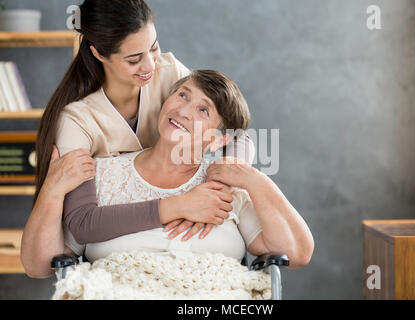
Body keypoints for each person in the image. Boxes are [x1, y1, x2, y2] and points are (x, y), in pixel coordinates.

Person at [21, 0, 254, 278]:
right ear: (98, 53)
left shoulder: (169, 72)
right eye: (133, 59)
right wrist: (181, 205)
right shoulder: (78, 121)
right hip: (122, 238)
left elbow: (236, 132)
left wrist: (223, 182)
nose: (149, 65)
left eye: (153, 47)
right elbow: (83, 223)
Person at [63, 70, 314, 268]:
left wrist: (255, 180)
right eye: (182, 95)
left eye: (203, 110)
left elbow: (297, 253)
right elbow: (56, 255)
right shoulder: (104, 173)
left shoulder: (228, 188)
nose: (183, 111)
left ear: (218, 140)